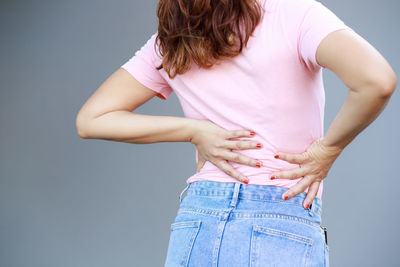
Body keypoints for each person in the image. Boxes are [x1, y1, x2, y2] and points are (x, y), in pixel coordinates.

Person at [75, 0, 396, 266]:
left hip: (198, 218)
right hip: (278, 217)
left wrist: (194, 130)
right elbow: (377, 81)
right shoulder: (294, 13)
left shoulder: (173, 41)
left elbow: (92, 118)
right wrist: (328, 150)